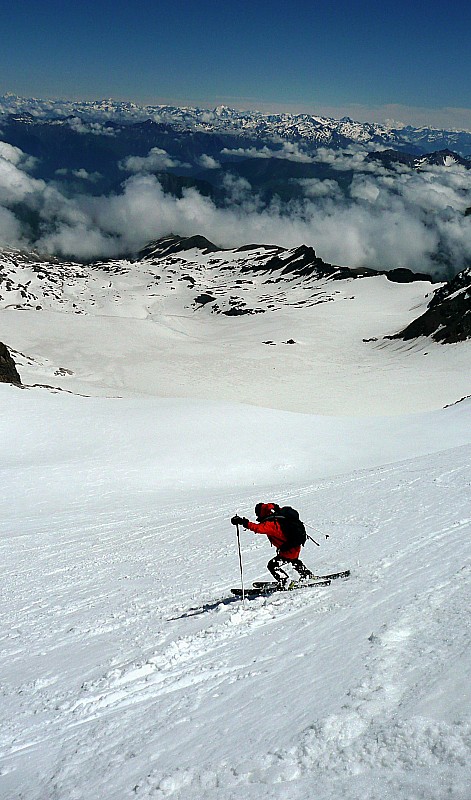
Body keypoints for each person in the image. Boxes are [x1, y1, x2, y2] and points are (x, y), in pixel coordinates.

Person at [231, 502, 315, 589]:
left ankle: (285, 582)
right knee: (294, 561)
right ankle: (307, 575)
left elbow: (258, 528)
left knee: (272, 565)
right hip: (294, 545)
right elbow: (271, 506)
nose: (257, 516)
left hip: (288, 549)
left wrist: (242, 522)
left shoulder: (271, 524)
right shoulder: (278, 517)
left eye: (257, 513)